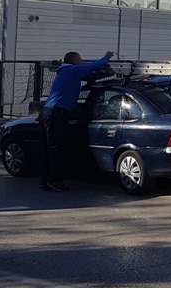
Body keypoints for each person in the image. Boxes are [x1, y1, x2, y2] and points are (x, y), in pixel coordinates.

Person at [37, 50, 115, 192]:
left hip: (47, 112)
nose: (81, 62)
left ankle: (45, 179)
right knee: (55, 148)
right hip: (57, 113)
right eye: (80, 59)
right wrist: (106, 57)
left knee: (48, 148)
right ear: (74, 61)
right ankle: (55, 180)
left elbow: (88, 76)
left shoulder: (65, 72)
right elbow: (93, 67)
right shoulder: (73, 70)